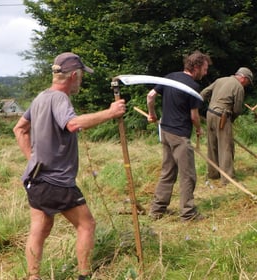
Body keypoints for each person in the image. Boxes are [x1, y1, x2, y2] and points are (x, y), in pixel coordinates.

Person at [13, 52, 126, 280]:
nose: (81, 80)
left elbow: (19, 128)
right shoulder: (59, 99)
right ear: (73, 75)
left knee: (40, 228)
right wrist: (111, 113)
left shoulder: (40, 97)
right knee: (87, 225)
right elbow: (72, 124)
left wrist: (33, 160)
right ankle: (84, 276)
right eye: (81, 76)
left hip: (35, 180)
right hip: (57, 182)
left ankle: (33, 276)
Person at [146, 51, 211, 222]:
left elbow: (150, 95)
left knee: (168, 171)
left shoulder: (170, 77)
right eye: (204, 69)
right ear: (196, 67)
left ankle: (156, 210)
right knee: (187, 174)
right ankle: (188, 213)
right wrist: (198, 129)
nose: (205, 73)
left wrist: (151, 114)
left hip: (165, 131)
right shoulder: (193, 87)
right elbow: (194, 116)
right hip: (180, 134)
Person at [200, 67, 253, 185]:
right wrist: (231, 119)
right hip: (223, 116)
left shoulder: (220, 80)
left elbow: (203, 93)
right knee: (226, 147)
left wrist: (201, 106)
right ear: (243, 78)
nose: (247, 85)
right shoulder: (239, 87)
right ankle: (227, 179)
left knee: (212, 144)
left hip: (210, 114)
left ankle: (213, 174)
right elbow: (238, 109)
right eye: (248, 82)